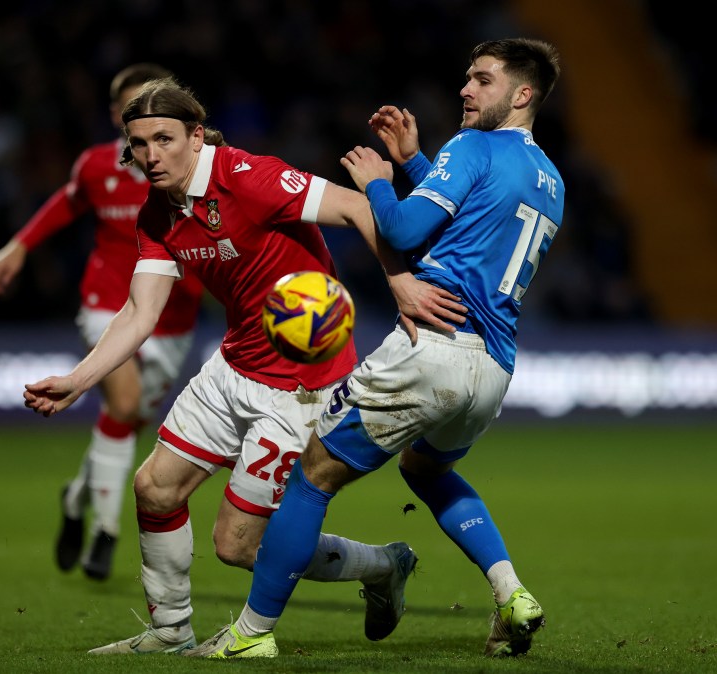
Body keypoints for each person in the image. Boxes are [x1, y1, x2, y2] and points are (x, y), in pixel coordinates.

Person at [23, 78, 465, 654]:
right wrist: (78, 382)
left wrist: (402, 284)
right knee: (154, 489)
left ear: (195, 135)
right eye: (138, 143)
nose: (151, 155)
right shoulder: (158, 213)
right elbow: (139, 312)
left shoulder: (247, 177)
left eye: (164, 138)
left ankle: (382, 566)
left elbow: (357, 205)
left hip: (300, 386)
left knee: (238, 545)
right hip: (233, 367)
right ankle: (168, 631)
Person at [186, 37, 564, 659]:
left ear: (523, 94)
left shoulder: (473, 145)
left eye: (483, 80)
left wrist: (379, 181)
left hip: (433, 343)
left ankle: (250, 636)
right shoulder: (550, 178)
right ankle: (511, 591)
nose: (465, 89)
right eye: (466, 77)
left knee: (311, 478)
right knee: (426, 469)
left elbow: (404, 230)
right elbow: (471, 222)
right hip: (493, 365)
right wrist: (418, 164)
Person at [0, 64, 205, 581]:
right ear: (118, 116)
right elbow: (66, 204)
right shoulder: (95, 168)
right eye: (136, 110)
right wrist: (19, 245)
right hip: (108, 305)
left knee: (123, 422)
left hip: (175, 321)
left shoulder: (194, 170)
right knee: (124, 405)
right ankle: (105, 532)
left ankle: (77, 495)